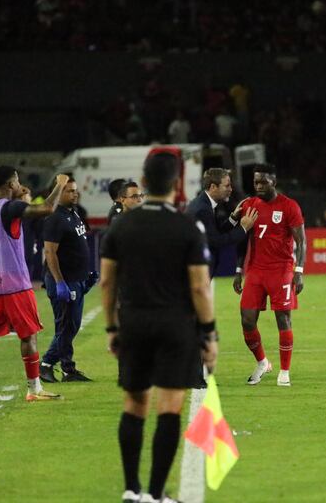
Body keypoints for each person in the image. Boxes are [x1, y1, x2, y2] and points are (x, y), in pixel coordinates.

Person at [100, 151, 218, 503]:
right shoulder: (186, 226)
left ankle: (131, 489)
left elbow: (107, 282)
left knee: (134, 404)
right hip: (175, 326)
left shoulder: (121, 225)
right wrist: (209, 333)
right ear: (178, 183)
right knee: (169, 406)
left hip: (134, 323)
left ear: (145, 180)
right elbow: (199, 286)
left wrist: (111, 328)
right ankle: (155, 493)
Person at [0, 166, 69, 402]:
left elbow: (8, 219)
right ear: (11, 184)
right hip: (15, 284)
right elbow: (47, 208)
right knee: (28, 336)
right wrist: (59, 184)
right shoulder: (11, 207)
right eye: (17, 180)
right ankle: (34, 390)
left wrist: (21, 197)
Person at [234, 164, 306, 387]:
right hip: (255, 270)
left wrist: (299, 271)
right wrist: (239, 270)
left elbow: (302, 241)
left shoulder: (289, 206)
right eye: (256, 182)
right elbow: (241, 239)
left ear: (273, 181)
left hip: (281, 270)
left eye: (263, 182)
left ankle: (284, 371)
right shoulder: (249, 205)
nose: (258, 186)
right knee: (246, 320)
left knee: (282, 319)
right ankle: (263, 362)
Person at [39, 178, 98, 383]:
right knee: (66, 327)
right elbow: (50, 252)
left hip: (76, 279)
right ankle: (51, 365)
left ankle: (64, 368)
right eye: (70, 191)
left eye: (75, 190)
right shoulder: (55, 217)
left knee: (70, 326)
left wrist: (86, 274)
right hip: (64, 281)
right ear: (59, 193)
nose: (75, 194)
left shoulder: (73, 213)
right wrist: (59, 282)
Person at [185, 168, 258, 277]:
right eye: (227, 186)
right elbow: (217, 241)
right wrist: (243, 228)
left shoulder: (203, 204)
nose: (231, 189)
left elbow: (215, 232)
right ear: (213, 187)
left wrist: (232, 218)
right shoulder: (203, 209)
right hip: (197, 270)